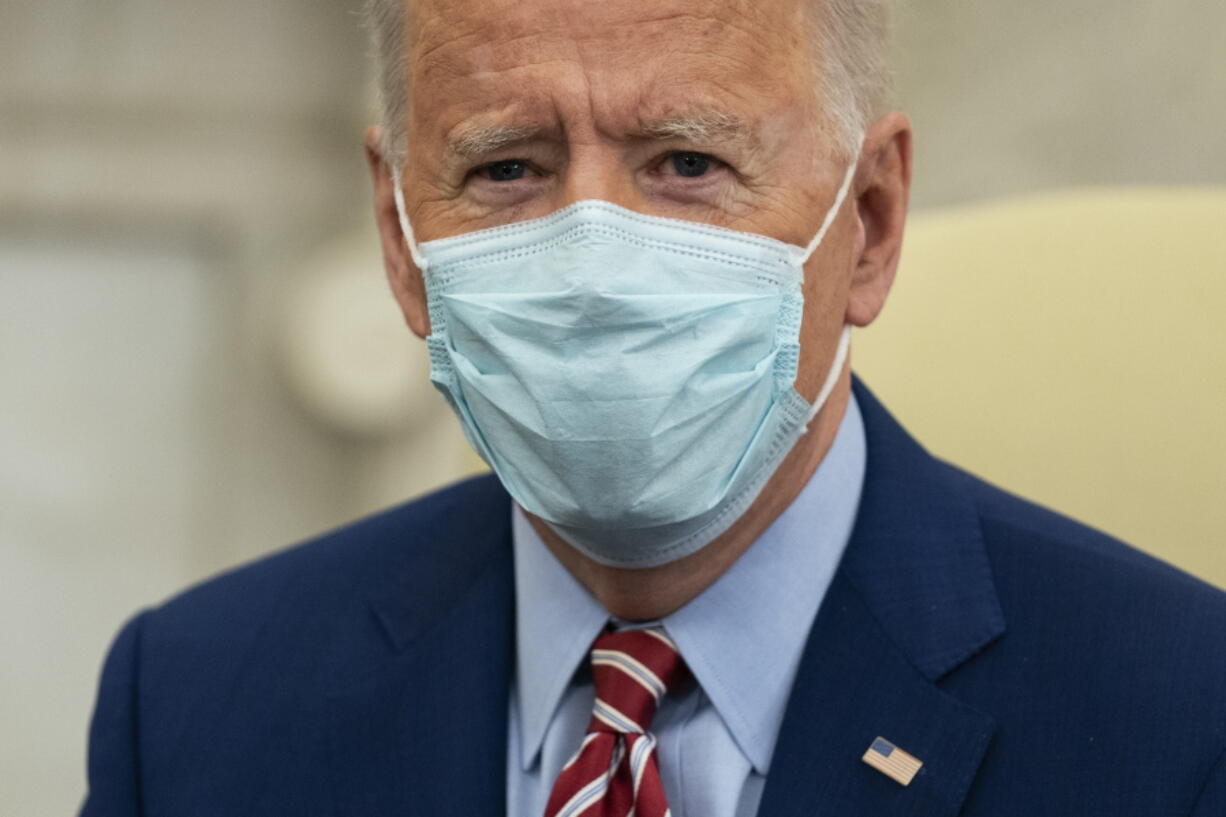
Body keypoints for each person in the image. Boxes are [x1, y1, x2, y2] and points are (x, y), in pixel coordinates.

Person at [80, 0, 1226, 814]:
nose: (589, 265)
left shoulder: (1178, 723)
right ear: (399, 239)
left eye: (685, 162)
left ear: (869, 221)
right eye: (506, 169)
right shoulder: (194, 706)